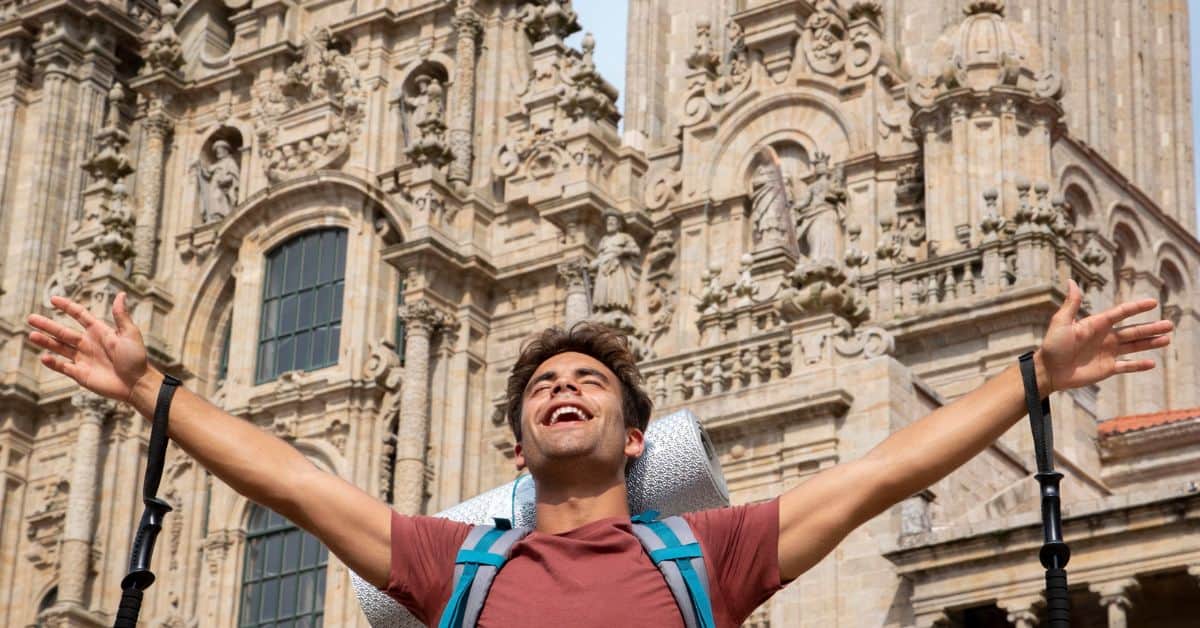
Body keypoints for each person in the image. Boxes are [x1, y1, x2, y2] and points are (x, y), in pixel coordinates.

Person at [26, 280, 1172, 626]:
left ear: (635, 436)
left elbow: (886, 471)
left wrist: (1036, 376)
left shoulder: (709, 555)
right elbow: (291, 477)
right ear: (516, 442)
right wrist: (147, 387)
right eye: (540, 386)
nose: (561, 388)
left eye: (588, 382)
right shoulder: (452, 567)